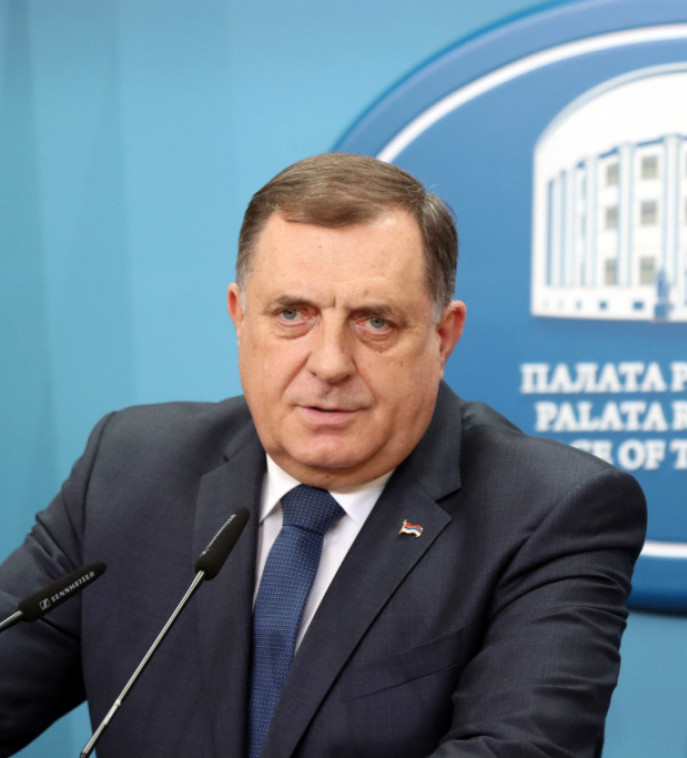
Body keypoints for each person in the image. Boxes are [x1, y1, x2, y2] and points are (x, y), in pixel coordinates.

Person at [0, 153, 647, 757]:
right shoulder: (129, 468)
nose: (330, 363)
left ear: (443, 337)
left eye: (375, 321)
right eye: (293, 314)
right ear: (240, 318)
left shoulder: (549, 512)